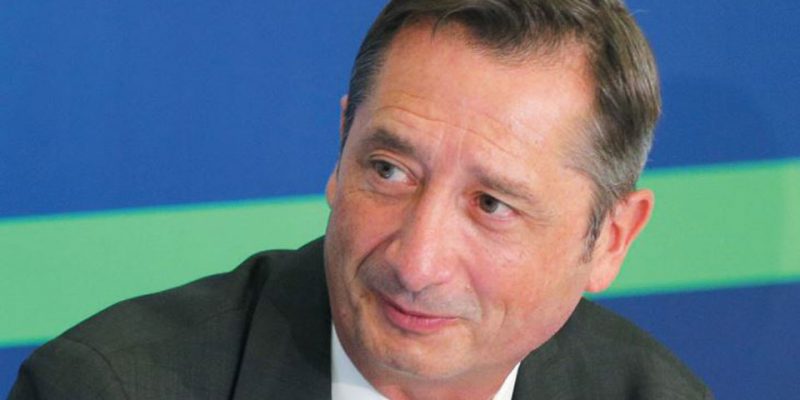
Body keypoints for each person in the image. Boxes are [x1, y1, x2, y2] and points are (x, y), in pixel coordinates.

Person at [11, 1, 712, 399]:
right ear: (341, 147)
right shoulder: (107, 389)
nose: (416, 263)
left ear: (611, 239)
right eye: (389, 170)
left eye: (492, 205)